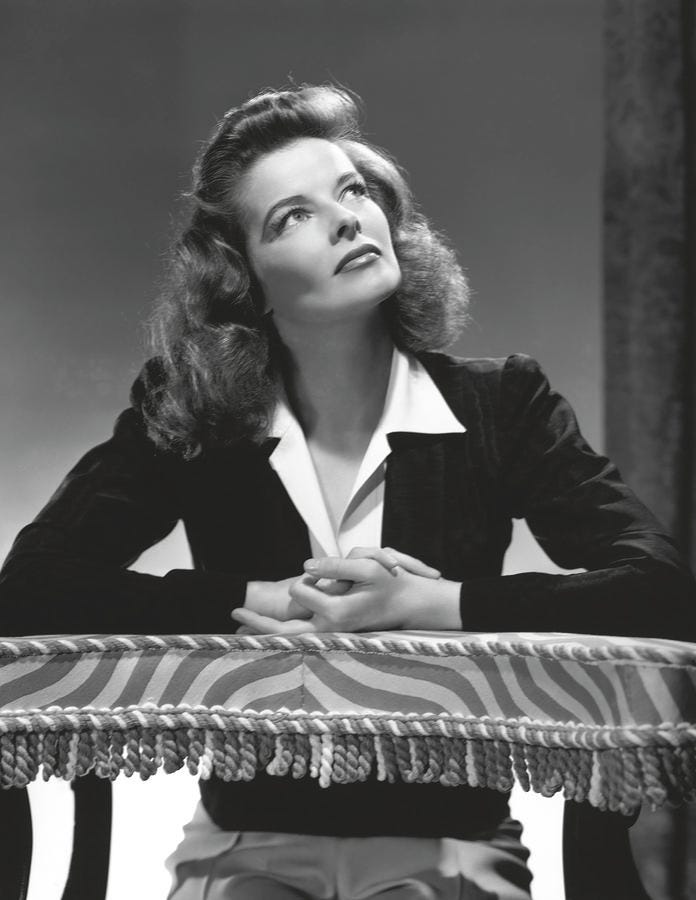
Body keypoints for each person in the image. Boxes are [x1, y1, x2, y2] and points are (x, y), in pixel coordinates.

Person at [1, 83, 694, 899]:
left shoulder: (502, 403)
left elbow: (659, 588)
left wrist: (435, 606)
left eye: (353, 190)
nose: (345, 220)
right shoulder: (195, 413)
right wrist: (254, 600)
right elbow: (31, 587)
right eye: (291, 216)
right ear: (243, 278)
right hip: (244, 843)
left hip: (454, 843)